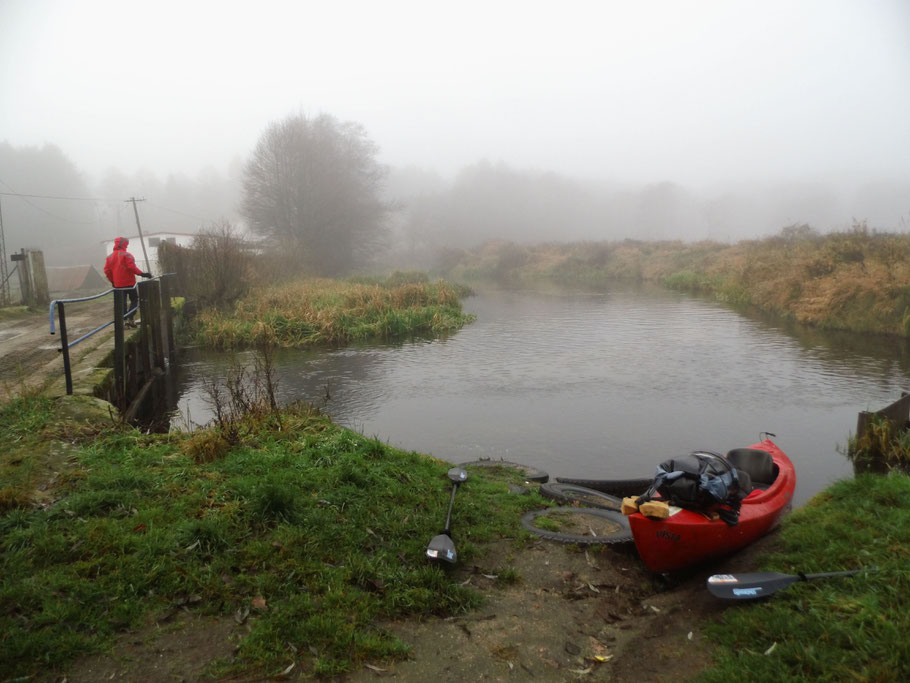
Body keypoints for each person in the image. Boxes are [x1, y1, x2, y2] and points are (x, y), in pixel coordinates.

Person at [104, 236, 152, 328]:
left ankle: (124, 322)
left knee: (122, 303)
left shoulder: (109, 257)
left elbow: (107, 271)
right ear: (124, 244)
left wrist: (113, 281)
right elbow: (132, 268)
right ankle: (130, 317)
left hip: (117, 285)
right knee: (134, 300)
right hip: (130, 284)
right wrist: (143, 274)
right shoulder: (127, 255)